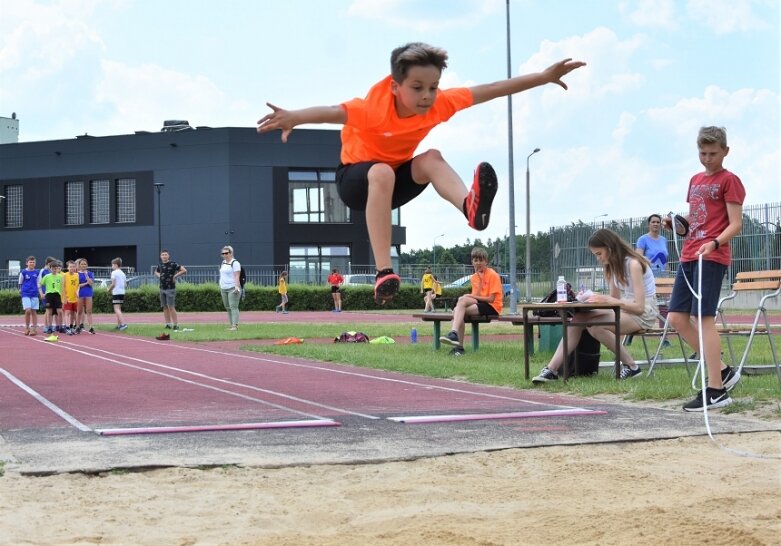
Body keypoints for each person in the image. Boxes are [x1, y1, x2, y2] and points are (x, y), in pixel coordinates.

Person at [257, 43, 585, 304]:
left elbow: (493, 88)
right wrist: (294, 117)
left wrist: (543, 77)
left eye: (433, 87)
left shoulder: (440, 103)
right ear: (396, 86)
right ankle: (383, 271)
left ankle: (470, 208)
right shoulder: (373, 108)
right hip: (355, 181)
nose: (427, 96)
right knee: (382, 171)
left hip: (398, 178)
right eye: (417, 88)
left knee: (431, 158)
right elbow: (332, 112)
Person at [663, 126, 745, 412]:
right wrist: (677, 223)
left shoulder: (730, 180)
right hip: (689, 254)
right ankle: (722, 370)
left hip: (711, 257)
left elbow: (735, 223)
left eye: (713, 153)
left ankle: (716, 390)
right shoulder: (695, 179)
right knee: (676, 318)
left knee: (704, 317)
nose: (707, 158)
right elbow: (697, 217)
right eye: (702, 153)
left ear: (725, 151)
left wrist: (714, 243)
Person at [532, 229, 659, 383]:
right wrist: (590, 300)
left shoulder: (633, 264)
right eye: (596, 255)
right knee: (579, 317)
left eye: (599, 254)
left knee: (597, 326)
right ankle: (551, 370)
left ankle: (632, 367)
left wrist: (609, 301)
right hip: (625, 308)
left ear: (610, 249)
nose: (598, 258)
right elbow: (614, 300)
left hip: (644, 312)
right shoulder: (613, 266)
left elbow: (639, 307)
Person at [439, 247, 503, 356]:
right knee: (459, 307)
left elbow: (491, 299)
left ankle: (456, 341)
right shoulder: (474, 277)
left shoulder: (493, 275)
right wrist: (480, 280)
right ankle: (458, 347)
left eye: (481, 260)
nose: (478, 263)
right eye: (475, 260)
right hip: (480, 304)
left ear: (486, 262)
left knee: (460, 306)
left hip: (493, 306)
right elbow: (476, 296)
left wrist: (468, 295)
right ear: (472, 262)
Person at [155, 249, 187, 330]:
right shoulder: (160, 264)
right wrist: (160, 276)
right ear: (160, 256)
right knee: (165, 307)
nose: (164, 256)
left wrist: (175, 276)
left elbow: (184, 270)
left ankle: (176, 324)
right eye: (163, 255)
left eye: (166, 254)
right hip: (162, 288)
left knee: (171, 306)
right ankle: (168, 324)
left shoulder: (173, 264)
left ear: (168, 256)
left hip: (170, 288)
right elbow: (156, 272)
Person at [39, 260, 64, 338]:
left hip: (57, 295)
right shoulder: (47, 276)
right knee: (49, 311)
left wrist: (63, 295)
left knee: (59, 311)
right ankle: (49, 327)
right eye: (53, 268)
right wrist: (42, 293)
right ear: (50, 268)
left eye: (56, 268)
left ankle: (60, 326)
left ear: (58, 269)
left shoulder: (60, 277)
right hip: (49, 295)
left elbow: (63, 287)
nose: (54, 270)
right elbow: (39, 285)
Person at [219, 246, 241, 330]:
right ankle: (231, 325)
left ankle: (235, 326)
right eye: (223, 253)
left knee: (233, 307)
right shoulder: (223, 262)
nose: (224, 255)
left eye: (226, 253)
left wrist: (236, 287)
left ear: (231, 253)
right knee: (227, 307)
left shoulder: (235, 263)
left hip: (232, 287)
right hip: (223, 287)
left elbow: (237, 276)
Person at [18, 256, 40, 336]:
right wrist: (20, 290)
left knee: (34, 311)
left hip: (34, 294)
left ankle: (34, 329)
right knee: (28, 310)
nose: (32, 263)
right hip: (26, 293)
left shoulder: (37, 272)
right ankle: (27, 327)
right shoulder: (23, 272)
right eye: (30, 262)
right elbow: (20, 282)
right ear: (27, 263)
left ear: (35, 263)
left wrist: (40, 292)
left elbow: (38, 283)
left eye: (33, 262)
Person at [107, 257, 128, 331]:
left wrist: (109, 290)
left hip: (116, 292)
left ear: (116, 265)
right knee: (119, 308)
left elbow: (113, 284)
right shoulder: (123, 273)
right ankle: (119, 325)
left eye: (112, 265)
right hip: (122, 292)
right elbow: (125, 285)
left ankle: (123, 324)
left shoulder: (114, 272)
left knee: (116, 309)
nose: (111, 266)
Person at [37, 256, 56, 333]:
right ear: (48, 264)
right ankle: (46, 326)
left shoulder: (51, 271)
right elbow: (39, 283)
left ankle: (48, 325)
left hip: (52, 293)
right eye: (52, 264)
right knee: (48, 310)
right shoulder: (42, 271)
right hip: (45, 293)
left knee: (50, 310)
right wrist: (41, 293)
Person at [76, 258, 95, 334]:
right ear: (79, 265)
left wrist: (86, 275)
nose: (83, 265)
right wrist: (86, 283)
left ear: (87, 265)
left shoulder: (90, 273)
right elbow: (77, 285)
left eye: (85, 264)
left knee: (89, 311)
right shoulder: (77, 274)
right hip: (80, 294)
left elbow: (91, 283)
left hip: (88, 294)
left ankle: (91, 327)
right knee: (79, 311)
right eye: (82, 264)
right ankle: (77, 327)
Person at [62, 260, 80, 334]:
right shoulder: (65, 275)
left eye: (73, 267)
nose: (72, 268)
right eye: (70, 267)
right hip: (68, 297)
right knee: (67, 312)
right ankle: (67, 327)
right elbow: (62, 287)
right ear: (67, 267)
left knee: (74, 313)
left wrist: (78, 292)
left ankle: (72, 326)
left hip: (75, 298)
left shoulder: (77, 275)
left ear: (75, 267)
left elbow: (78, 285)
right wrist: (64, 297)